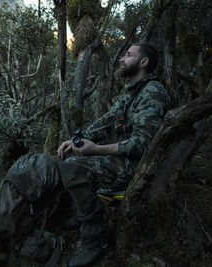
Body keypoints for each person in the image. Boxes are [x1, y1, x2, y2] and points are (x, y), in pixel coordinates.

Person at [56, 43, 171, 267]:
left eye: (128, 55)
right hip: (123, 159)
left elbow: (144, 143)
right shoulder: (133, 90)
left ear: (143, 62)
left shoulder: (153, 92)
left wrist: (95, 150)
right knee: (69, 157)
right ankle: (83, 215)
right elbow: (107, 120)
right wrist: (77, 139)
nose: (122, 59)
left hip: (139, 166)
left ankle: (94, 236)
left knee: (73, 168)